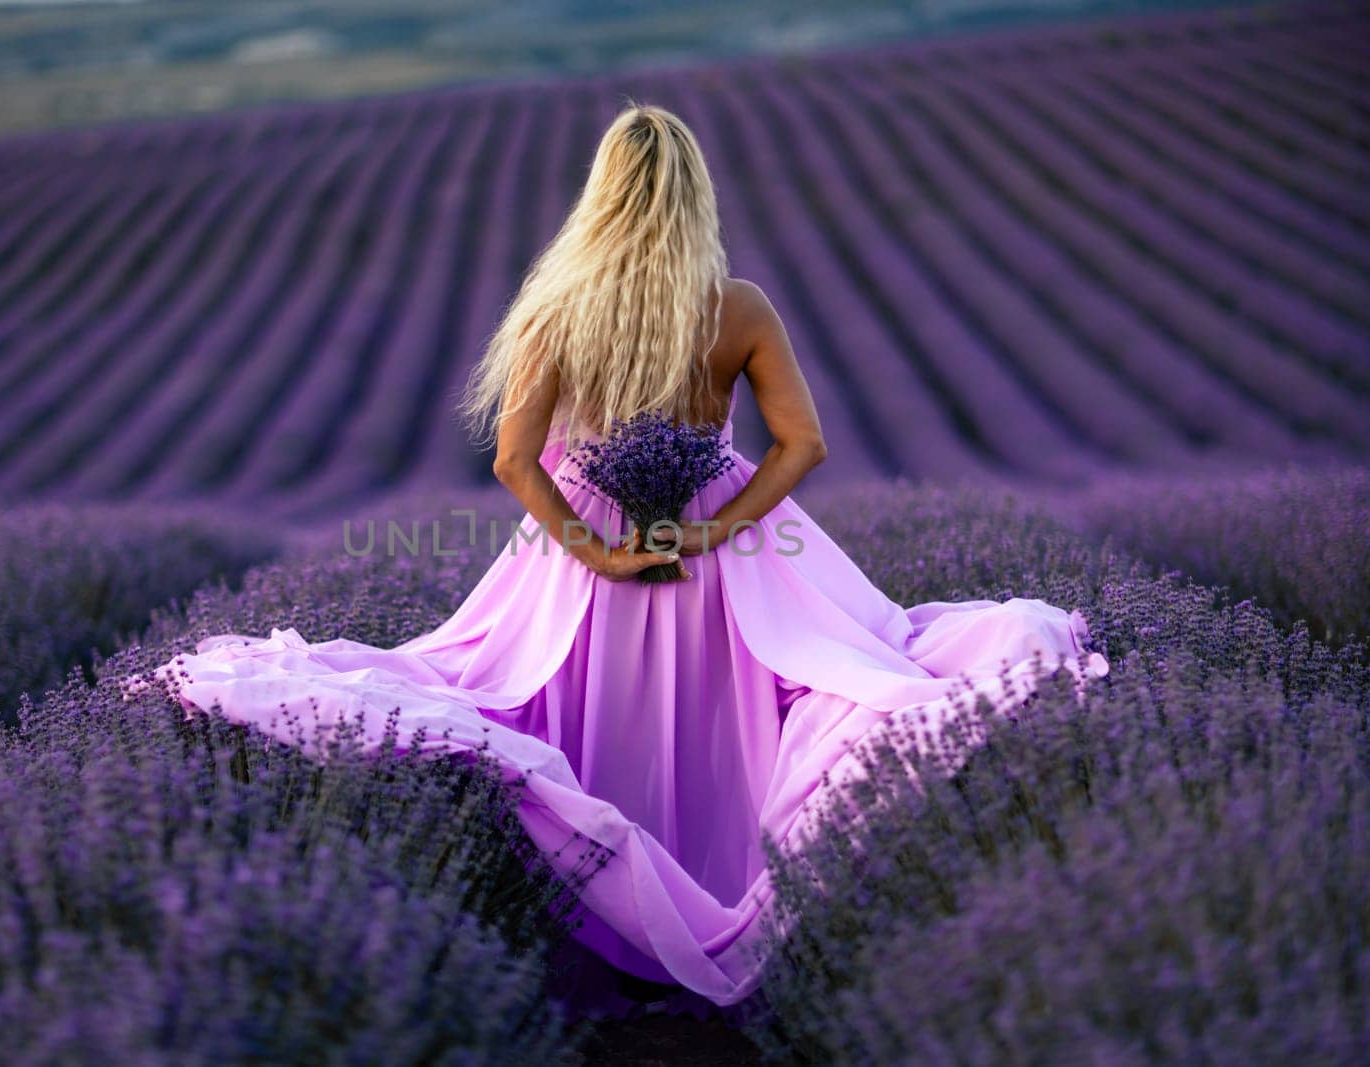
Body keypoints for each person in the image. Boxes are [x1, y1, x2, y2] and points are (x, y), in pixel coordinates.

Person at [151, 101, 1109, 1015]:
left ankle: (606, 932)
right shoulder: (735, 307)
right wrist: (708, 527)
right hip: (725, 553)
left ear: (599, 196)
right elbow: (802, 444)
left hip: (585, 554)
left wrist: (596, 554)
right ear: (696, 198)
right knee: (788, 689)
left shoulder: (558, 311)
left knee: (544, 704)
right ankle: (732, 899)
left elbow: (515, 460)